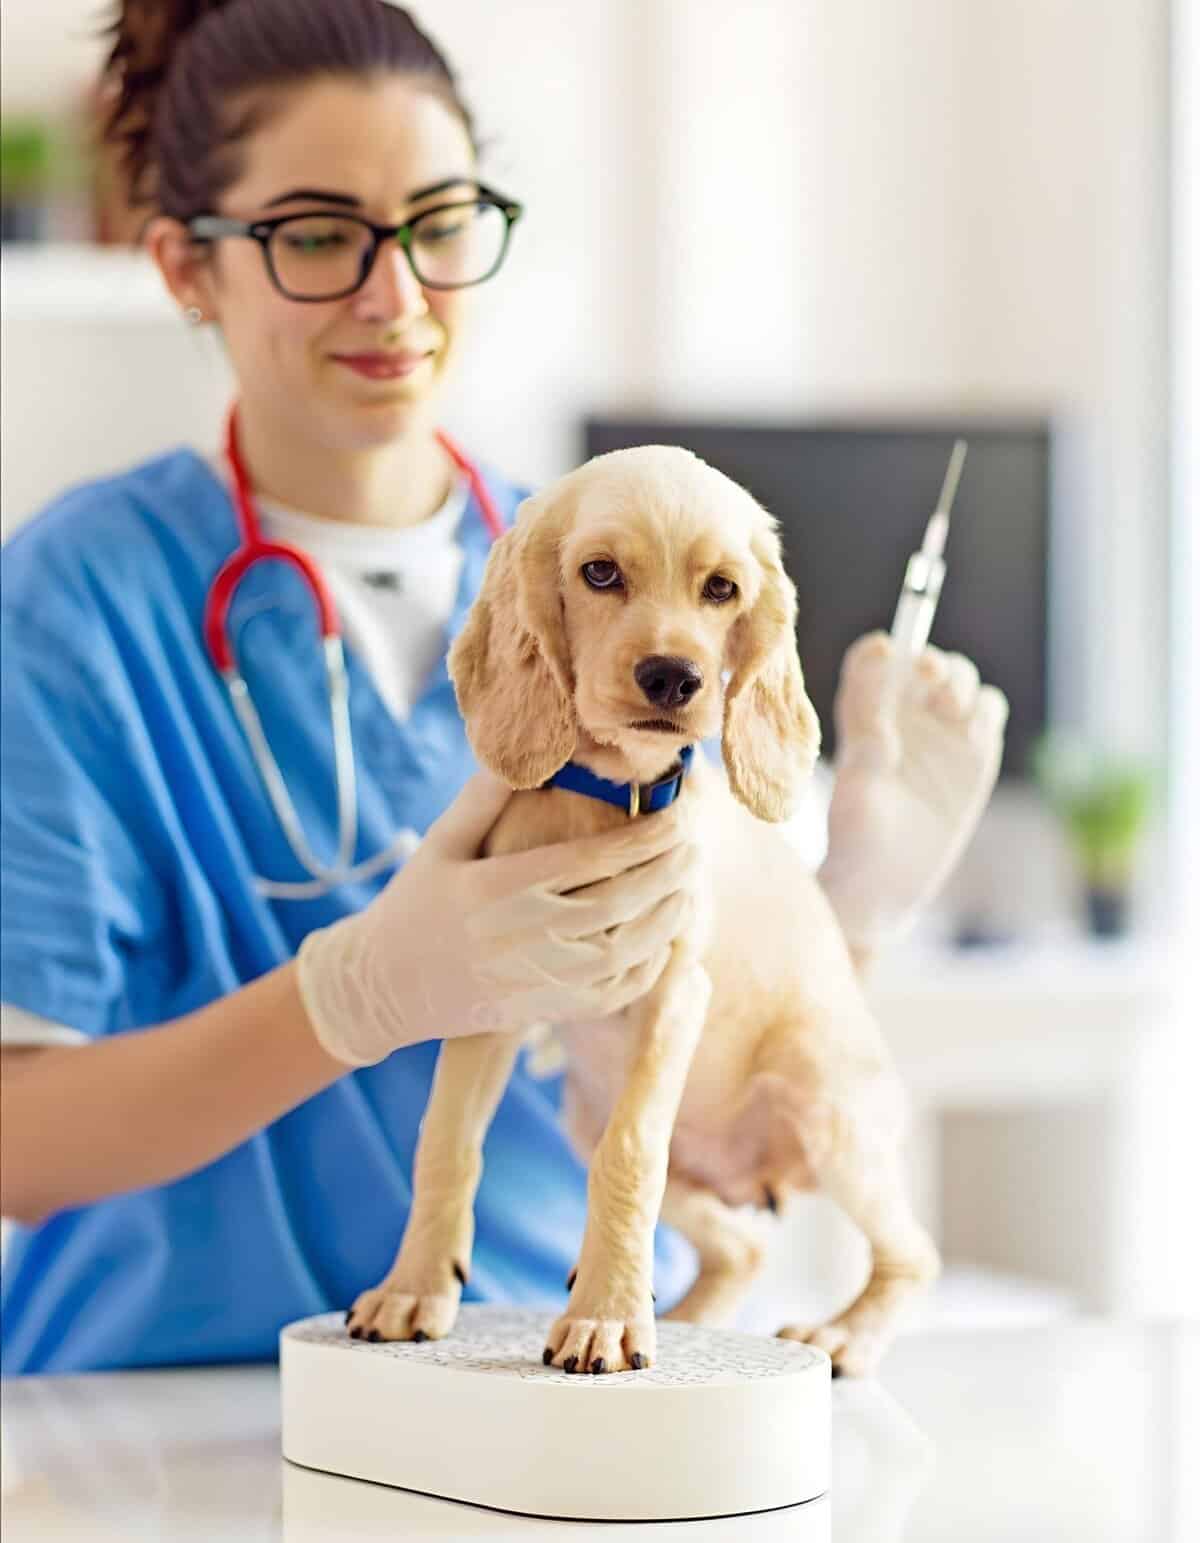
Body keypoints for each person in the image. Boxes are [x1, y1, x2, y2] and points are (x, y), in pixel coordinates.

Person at [0, 0, 1004, 1376]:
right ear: (185, 265)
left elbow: (687, 1022)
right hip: (161, 1417)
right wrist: (348, 996)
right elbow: (14, 1138)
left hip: (546, 1381)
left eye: (440, 222)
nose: (394, 293)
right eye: (314, 235)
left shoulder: (601, 559)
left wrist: (853, 914)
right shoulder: (79, 603)